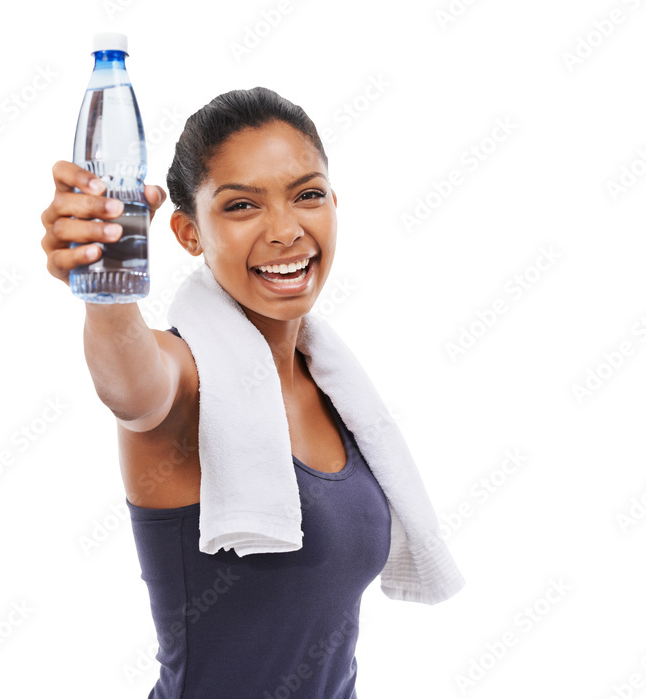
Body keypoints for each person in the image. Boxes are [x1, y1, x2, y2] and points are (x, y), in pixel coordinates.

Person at [40, 87, 396, 698]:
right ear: (188, 233)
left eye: (307, 195)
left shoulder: (333, 384)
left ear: (334, 203)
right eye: (241, 206)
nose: (286, 231)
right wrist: (107, 294)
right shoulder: (188, 378)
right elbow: (133, 389)